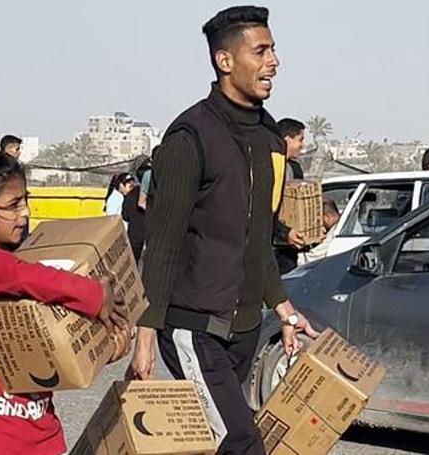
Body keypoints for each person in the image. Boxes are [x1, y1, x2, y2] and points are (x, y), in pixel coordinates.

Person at [126, 7, 318, 454]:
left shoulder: (270, 140)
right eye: (262, 51)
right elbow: (163, 245)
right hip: (193, 328)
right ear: (224, 61)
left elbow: (259, 241)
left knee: (214, 443)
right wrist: (146, 334)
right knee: (242, 441)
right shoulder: (189, 137)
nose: (274, 62)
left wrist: (284, 310)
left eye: (274, 50)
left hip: (245, 328)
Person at [0, 153, 130, 454]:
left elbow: (52, 349)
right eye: (12, 206)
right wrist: (92, 294)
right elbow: (17, 275)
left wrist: (104, 348)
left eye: (26, 200)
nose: (24, 214)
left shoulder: (18, 251)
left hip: (39, 431)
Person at [273, 118, 307, 274]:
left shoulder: (295, 168)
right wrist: (283, 232)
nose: (302, 145)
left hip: (289, 247)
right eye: (300, 140)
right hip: (271, 245)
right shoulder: (267, 166)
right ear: (287, 139)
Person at [299, 198, 341, 264]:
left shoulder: (334, 236)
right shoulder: (345, 226)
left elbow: (310, 259)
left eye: (316, 218)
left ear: (328, 217)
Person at [122, 182, 145, 264]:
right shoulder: (152, 193)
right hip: (149, 233)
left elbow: (125, 216)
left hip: (134, 234)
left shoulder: (130, 195)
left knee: (132, 261)